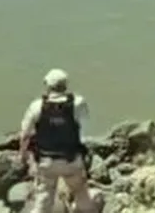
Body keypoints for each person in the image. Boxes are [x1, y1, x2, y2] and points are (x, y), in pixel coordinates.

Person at [20, 69, 95, 213]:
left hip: (46, 162)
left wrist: (22, 155)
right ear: (66, 85)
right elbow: (84, 131)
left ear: (47, 86)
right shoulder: (78, 103)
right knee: (81, 194)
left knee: (43, 198)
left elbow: (25, 134)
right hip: (71, 160)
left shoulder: (36, 106)